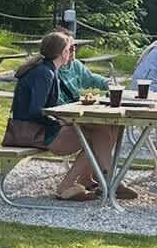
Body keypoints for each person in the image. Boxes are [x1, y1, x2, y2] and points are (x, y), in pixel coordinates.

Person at [8, 31, 125, 202]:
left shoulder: (48, 70)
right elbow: (35, 111)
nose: (72, 53)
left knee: (101, 131)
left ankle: (101, 180)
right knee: (97, 134)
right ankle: (101, 182)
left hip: (38, 130)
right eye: (70, 49)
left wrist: (61, 121)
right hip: (34, 134)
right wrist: (60, 122)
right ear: (62, 52)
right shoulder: (45, 73)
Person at [56, 37, 110, 104]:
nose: (73, 50)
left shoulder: (75, 64)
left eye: (74, 46)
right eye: (69, 48)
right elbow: (57, 102)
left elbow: (90, 78)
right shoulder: (52, 71)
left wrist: (107, 82)